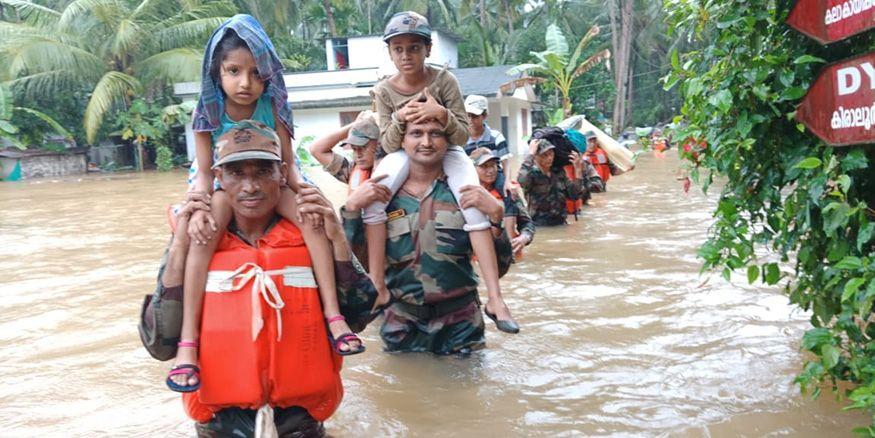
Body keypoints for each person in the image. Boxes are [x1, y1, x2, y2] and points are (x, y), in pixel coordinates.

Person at [168, 16, 362, 392]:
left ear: (268, 75)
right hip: (226, 184)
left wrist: (308, 194)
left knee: (311, 221)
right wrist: (197, 203)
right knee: (204, 232)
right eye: (234, 71)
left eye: (256, 73)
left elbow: (290, 166)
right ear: (218, 72)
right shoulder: (208, 111)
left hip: (272, 179)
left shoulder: (273, 106)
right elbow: (206, 173)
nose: (245, 83)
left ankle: (334, 316)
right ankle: (187, 340)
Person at [173, 121, 360, 436]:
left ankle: (331, 317)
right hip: (222, 418)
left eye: (263, 172)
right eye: (236, 174)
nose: (250, 187)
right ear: (220, 177)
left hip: (299, 415)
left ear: (281, 173)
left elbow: (363, 310)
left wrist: (339, 239)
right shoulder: (197, 230)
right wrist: (179, 244)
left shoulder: (311, 221)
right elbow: (158, 340)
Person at [364, 11, 514, 328]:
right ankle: (377, 286)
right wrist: (401, 118)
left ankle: (496, 298)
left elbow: (460, 134)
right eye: (398, 48)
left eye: (414, 48)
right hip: (404, 152)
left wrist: (439, 114)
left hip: (450, 148)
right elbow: (389, 144)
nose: (406, 55)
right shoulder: (383, 91)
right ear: (390, 52)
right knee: (374, 201)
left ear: (428, 49)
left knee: (472, 203)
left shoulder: (444, 80)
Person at [345, 117, 519, 354]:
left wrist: (497, 216)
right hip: (402, 324)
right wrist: (351, 211)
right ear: (402, 142)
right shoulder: (380, 197)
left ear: (448, 141)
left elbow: (500, 269)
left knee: (468, 388)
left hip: (461, 325)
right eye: (416, 134)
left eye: (435, 134)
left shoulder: (466, 194)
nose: (426, 142)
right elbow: (355, 267)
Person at [470, 147, 535, 260]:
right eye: (484, 166)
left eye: (493, 165)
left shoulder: (509, 192)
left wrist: (524, 237)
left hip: (510, 258)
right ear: (472, 169)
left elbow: (527, 223)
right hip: (479, 259)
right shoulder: (467, 194)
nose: (490, 170)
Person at [517, 138, 587, 226]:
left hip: (560, 223)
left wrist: (578, 170)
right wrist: (530, 154)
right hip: (539, 225)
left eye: (551, 153)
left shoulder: (558, 173)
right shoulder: (531, 174)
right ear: (536, 157)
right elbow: (521, 181)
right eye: (544, 155)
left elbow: (574, 195)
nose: (549, 158)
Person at [464, 94, 513, 195]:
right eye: (468, 115)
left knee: (506, 190)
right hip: (471, 176)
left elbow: (505, 162)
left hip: (495, 174)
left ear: (484, 115)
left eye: (475, 116)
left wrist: (508, 181)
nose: (470, 120)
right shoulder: (461, 140)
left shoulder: (496, 137)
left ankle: (510, 210)